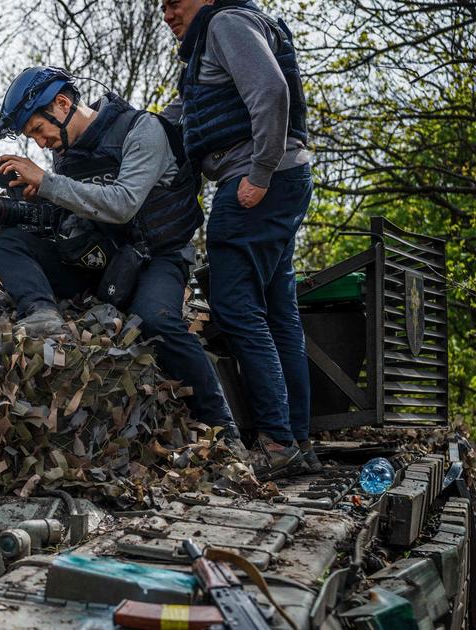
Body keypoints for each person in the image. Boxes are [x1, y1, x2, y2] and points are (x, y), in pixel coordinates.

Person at [0, 66, 241, 444]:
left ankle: (223, 428)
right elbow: (70, 211)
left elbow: (122, 204)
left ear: (62, 103)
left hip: (158, 258)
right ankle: (42, 312)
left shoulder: (142, 131)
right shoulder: (65, 155)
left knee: (155, 319)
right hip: (100, 260)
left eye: (40, 130)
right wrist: (33, 196)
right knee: (7, 241)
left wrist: (49, 183)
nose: (40, 143)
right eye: (33, 137)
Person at [161, 0, 317, 479]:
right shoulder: (226, 30)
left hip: (253, 183)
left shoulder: (226, 22)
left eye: (173, 1)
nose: (166, 13)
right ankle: (294, 439)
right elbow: (186, 114)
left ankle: (275, 442)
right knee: (278, 314)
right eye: (160, 5)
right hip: (282, 179)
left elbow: (270, 91)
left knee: (236, 308)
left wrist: (259, 172)